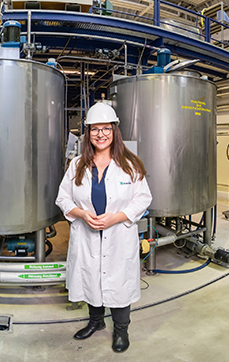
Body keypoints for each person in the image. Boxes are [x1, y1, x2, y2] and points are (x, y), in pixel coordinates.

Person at [55, 103, 152, 353]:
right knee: (91, 279)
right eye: (95, 129)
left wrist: (117, 217)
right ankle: (96, 322)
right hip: (86, 235)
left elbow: (143, 198)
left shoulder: (130, 164)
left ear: (114, 131)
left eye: (106, 128)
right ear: (88, 133)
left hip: (118, 235)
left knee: (119, 283)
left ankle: (121, 331)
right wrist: (81, 213)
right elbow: (63, 198)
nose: (100, 134)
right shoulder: (77, 165)